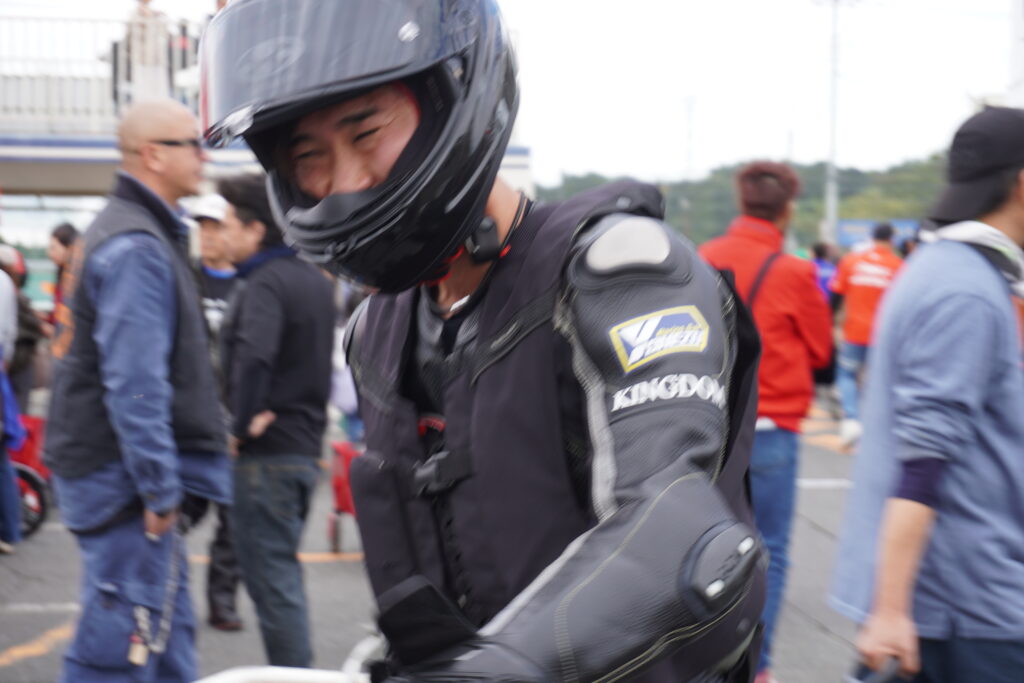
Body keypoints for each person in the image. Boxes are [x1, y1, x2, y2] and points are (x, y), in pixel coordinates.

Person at [202, 2, 767, 681]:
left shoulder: (622, 270)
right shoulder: (376, 331)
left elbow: (679, 528)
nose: (344, 180)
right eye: (308, 156)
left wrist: (496, 668)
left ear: (450, 99)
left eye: (367, 131)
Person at [831, 105, 1024, 682]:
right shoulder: (965, 290)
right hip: (966, 611)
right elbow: (923, 460)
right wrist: (891, 611)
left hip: (956, 604)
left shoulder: (944, 267)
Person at [42, 98, 231, 683]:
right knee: (119, 650)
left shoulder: (130, 231)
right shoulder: (137, 246)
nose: (203, 155)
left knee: (164, 636)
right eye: (191, 143)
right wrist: (158, 490)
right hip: (123, 481)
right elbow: (136, 386)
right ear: (152, 155)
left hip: (111, 471)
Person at [699, 161, 833, 683]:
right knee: (768, 548)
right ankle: (758, 667)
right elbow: (821, 350)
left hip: (713, 425)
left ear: (742, 202)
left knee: (705, 542)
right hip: (773, 425)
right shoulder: (794, 271)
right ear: (787, 208)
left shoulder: (704, 257)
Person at [217, 172, 335, 668]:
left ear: (255, 230)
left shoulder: (265, 282)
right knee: (280, 576)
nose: (221, 235)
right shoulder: (313, 279)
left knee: (272, 582)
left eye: (228, 224)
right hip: (303, 449)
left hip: (268, 455)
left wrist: (239, 424)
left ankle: (294, 675)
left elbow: (255, 356)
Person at [182, 193, 244, 632]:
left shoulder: (249, 284)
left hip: (235, 419)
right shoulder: (185, 278)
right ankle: (160, 589)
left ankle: (222, 602)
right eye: (201, 228)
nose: (207, 236)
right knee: (181, 507)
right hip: (189, 417)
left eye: (216, 227)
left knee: (233, 519)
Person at [829, 222, 902, 448]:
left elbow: (836, 295)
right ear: (891, 240)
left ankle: (851, 419)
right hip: (883, 335)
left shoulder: (852, 261)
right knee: (879, 380)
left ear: (872, 237)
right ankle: (876, 425)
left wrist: (830, 321)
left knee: (847, 375)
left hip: (854, 331)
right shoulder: (898, 265)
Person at [0, 245, 46, 410]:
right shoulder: (7, 284)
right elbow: (9, 328)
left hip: (15, 356)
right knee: (15, 407)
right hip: (18, 356)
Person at [46, 222, 79, 330]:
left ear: (69, 247)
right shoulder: (62, 275)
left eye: (53, 248)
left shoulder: (76, 279)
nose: (49, 253)